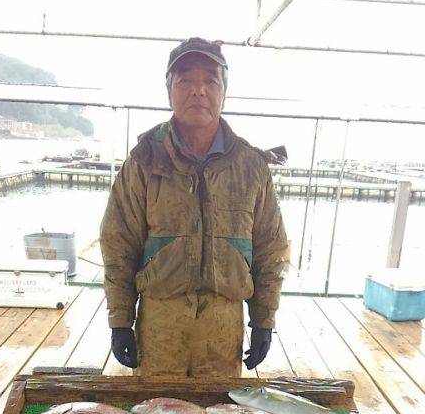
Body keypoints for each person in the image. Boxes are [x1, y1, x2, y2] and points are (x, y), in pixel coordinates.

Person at [100, 37, 288, 378]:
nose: (197, 90)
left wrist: (263, 321)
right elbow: (118, 243)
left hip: (224, 325)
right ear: (169, 90)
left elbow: (270, 248)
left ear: (224, 92)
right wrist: (120, 321)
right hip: (160, 324)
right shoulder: (144, 161)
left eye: (210, 80)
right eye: (185, 80)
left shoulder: (251, 166)